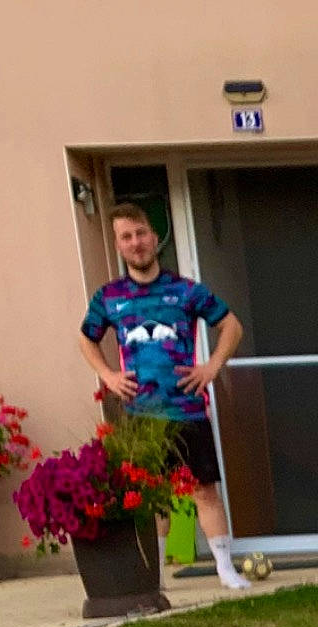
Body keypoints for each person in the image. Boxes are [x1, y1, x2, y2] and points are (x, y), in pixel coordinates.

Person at [78, 203, 250, 590]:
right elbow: (86, 338)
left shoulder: (186, 291)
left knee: (205, 490)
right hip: (141, 415)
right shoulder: (109, 297)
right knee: (147, 498)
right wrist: (107, 375)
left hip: (187, 410)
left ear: (155, 238)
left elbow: (231, 326)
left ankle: (225, 569)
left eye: (140, 234)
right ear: (119, 246)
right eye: (126, 237)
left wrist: (211, 367)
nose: (136, 243)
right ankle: (148, 577)